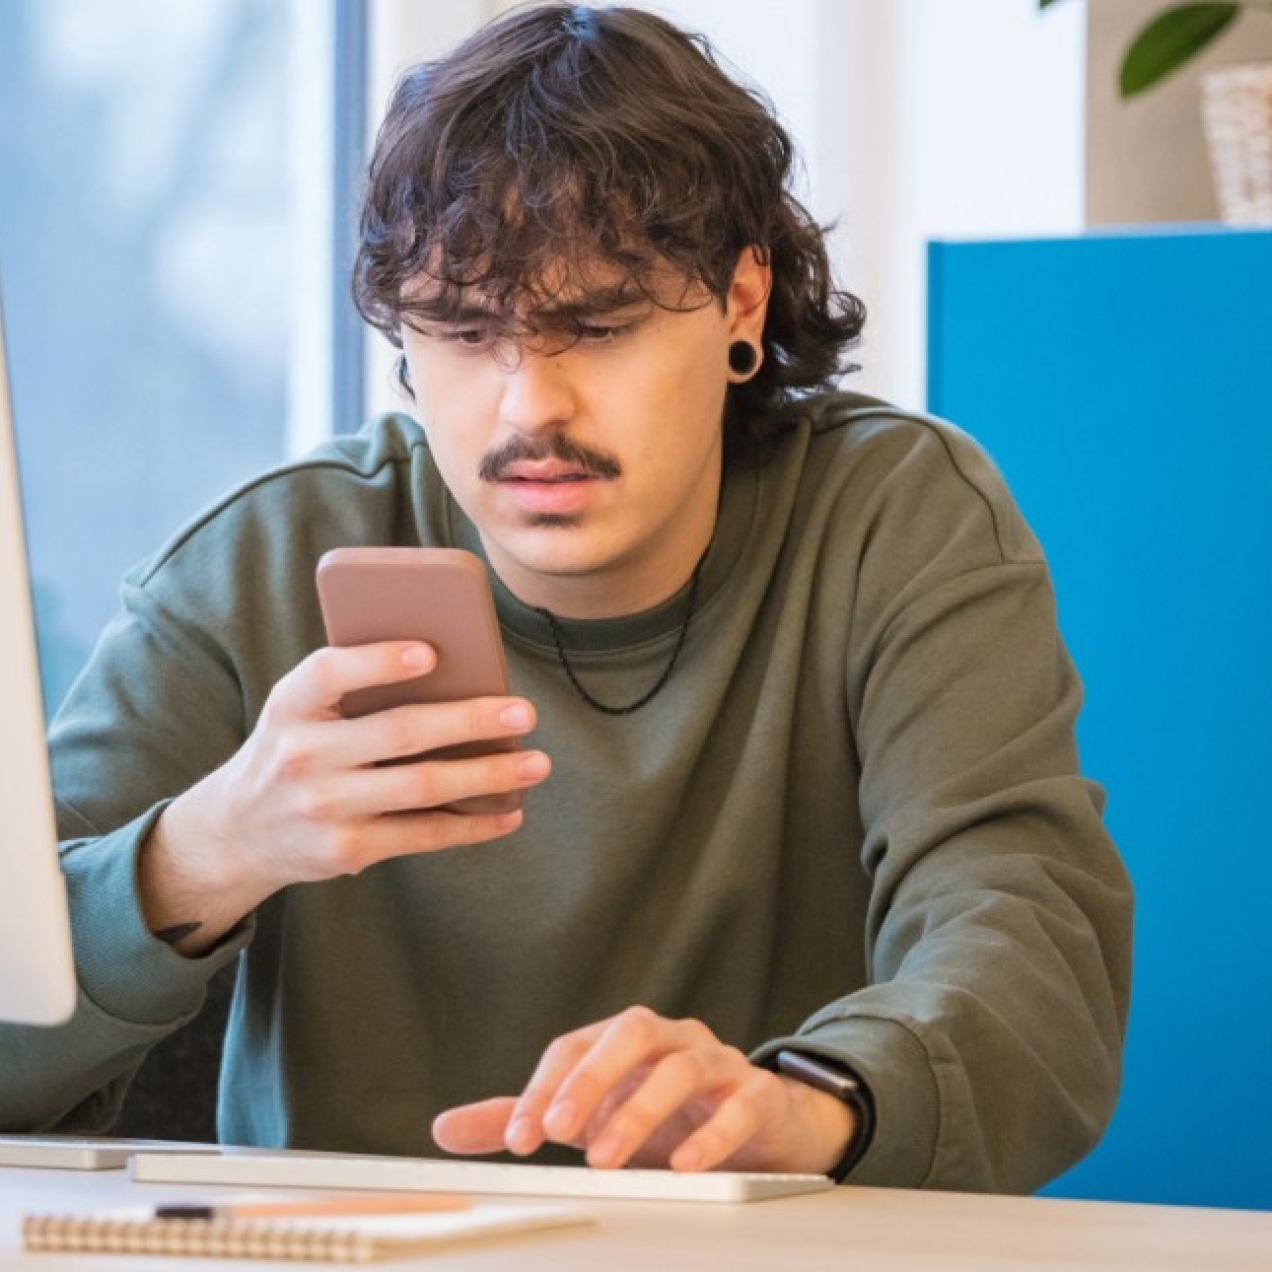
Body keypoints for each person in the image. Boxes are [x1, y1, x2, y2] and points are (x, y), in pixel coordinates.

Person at [0, 3, 1131, 1192]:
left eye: (597, 326)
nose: (530, 406)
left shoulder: (894, 520)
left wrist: (811, 1104)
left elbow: (1031, 954)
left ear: (741, 303)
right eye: (464, 330)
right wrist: (206, 851)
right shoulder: (263, 561)